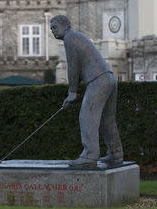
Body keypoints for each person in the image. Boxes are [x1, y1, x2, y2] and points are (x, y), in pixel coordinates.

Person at [50, 15, 123, 168]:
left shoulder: (70, 38)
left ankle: (89, 156)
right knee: (106, 120)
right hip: (109, 78)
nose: (53, 31)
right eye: (51, 29)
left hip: (98, 80)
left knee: (87, 117)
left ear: (65, 25)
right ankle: (115, 155)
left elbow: (73, 67)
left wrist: (72, 92)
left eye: (54, 27)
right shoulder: (77, 37)